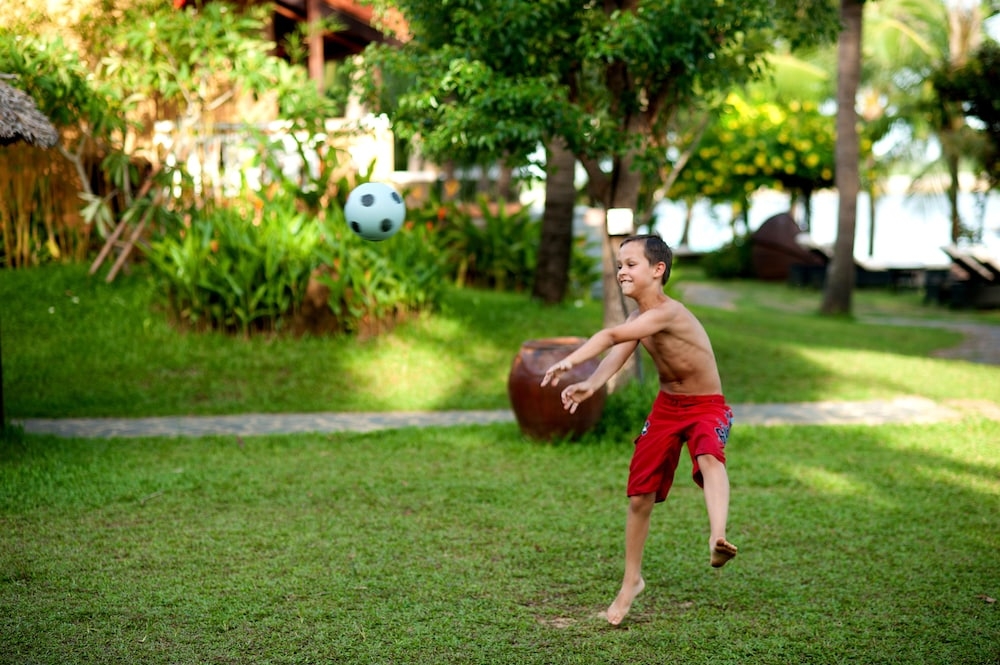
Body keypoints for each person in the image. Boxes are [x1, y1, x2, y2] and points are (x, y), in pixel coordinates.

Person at [540, 233, 737, 626]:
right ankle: (632, 581)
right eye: (619, 265)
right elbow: (617, 352)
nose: (621, 272)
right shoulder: (637, 319)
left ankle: (718, 537)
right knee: (639, 496)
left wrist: (570, 361)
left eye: (631, 264)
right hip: (667, 408)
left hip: (705, 406)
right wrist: (590, 384)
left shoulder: (669, 312)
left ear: (657, 270)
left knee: (708, 457)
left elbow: (609, 335)